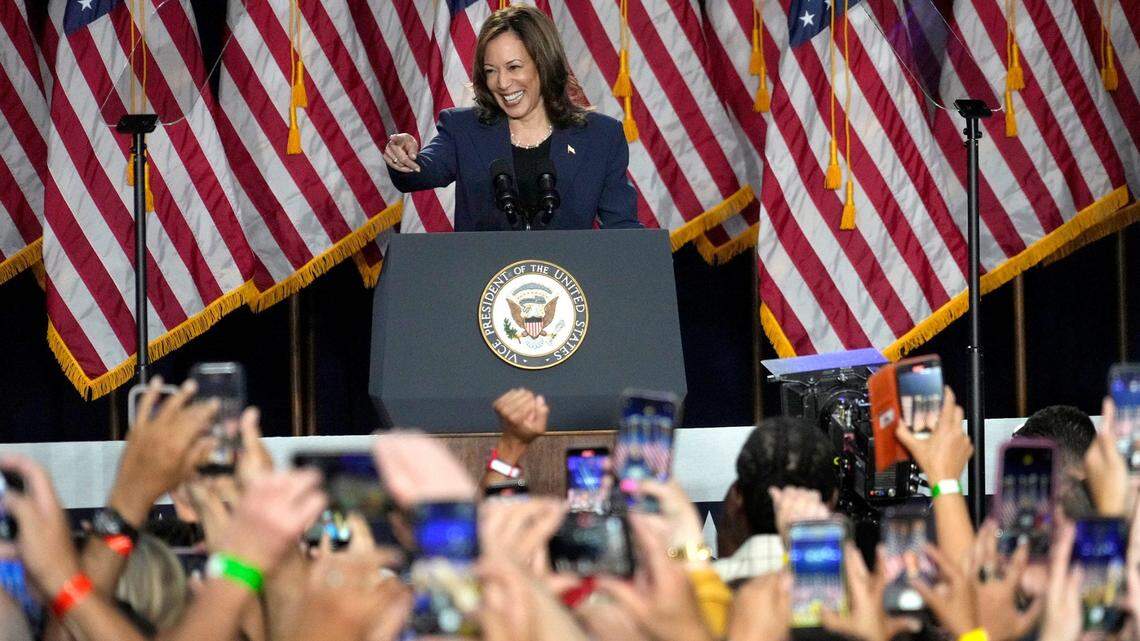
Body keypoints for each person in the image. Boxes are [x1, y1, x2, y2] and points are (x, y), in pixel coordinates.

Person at [383, 6, 641, 232]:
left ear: (544, 63)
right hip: (483, 283)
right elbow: (419, 173)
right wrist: (403, 157)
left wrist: (654, 264)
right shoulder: (464, 130)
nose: (503, 83)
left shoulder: (600, 136)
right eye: (491, 71)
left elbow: (622, 229)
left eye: (514, 67)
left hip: (568, 285)